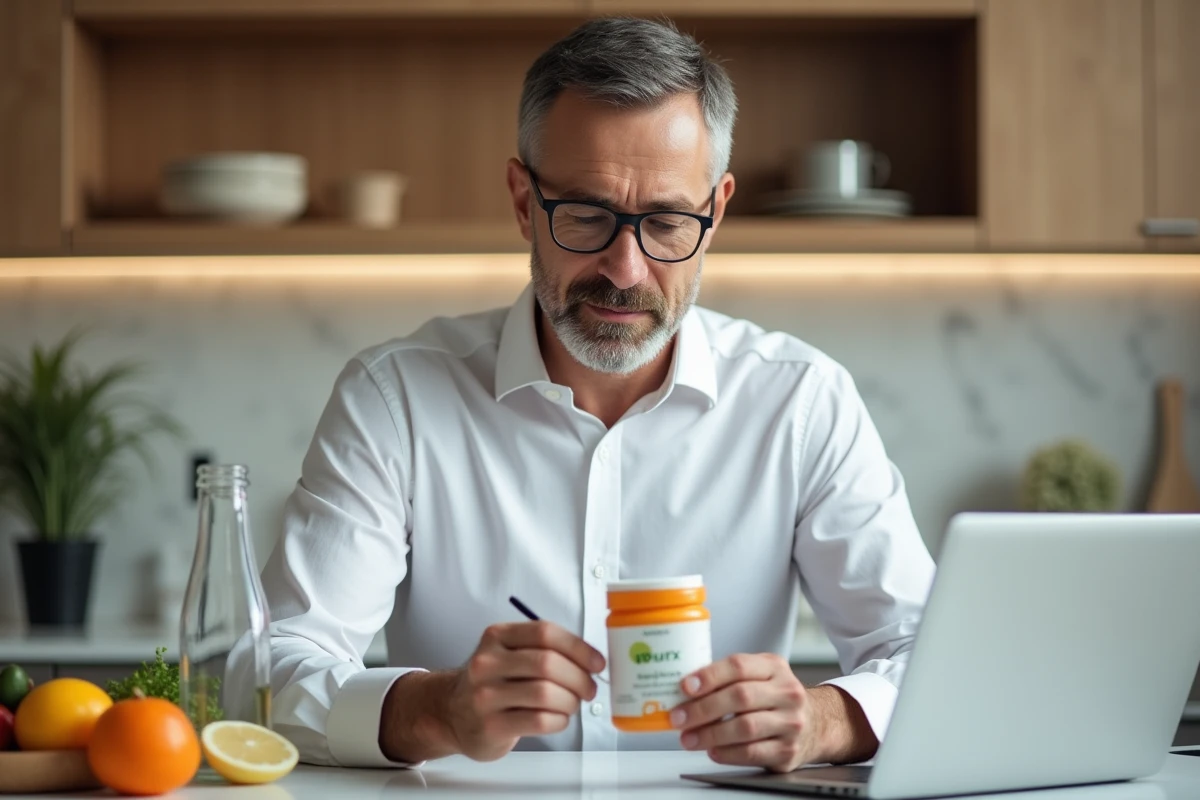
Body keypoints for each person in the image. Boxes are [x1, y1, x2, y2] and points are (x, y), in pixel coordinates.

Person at [234, 16, 935, 774]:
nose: (626, 269)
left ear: (716, 210)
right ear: (522, 202)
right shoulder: (395, 399)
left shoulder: (801, 403)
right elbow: (267, 674)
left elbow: (929, 652)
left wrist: (825, 721)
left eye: (667, 222)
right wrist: (438, 709)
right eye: (588, 217)